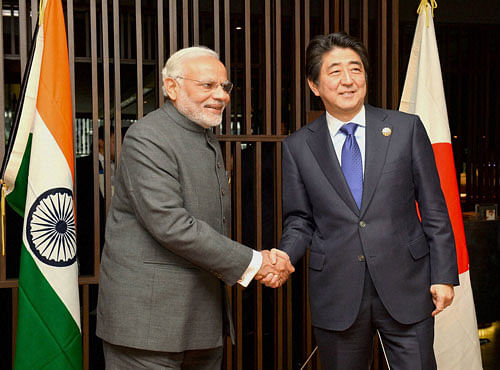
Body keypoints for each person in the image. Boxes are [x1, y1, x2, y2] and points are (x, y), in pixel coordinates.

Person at [96, 46, 294, 369]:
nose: (221, 95)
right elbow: (171, 225)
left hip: (199, 324)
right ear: (171, 87)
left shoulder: (205, 137)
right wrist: (256, 262)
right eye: (207, 85)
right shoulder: (148, 138)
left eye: (225, 87)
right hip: (149, 327)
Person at [278, 32, 458, 370]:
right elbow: (300, 220)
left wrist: (444, 274)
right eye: (334, 72)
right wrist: (285, 254)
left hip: (408, 284)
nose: (348, 80)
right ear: (314, 85)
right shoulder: (298, 147)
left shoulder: (405, 129)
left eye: (355, 69)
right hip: (338, 290)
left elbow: (434, 207)